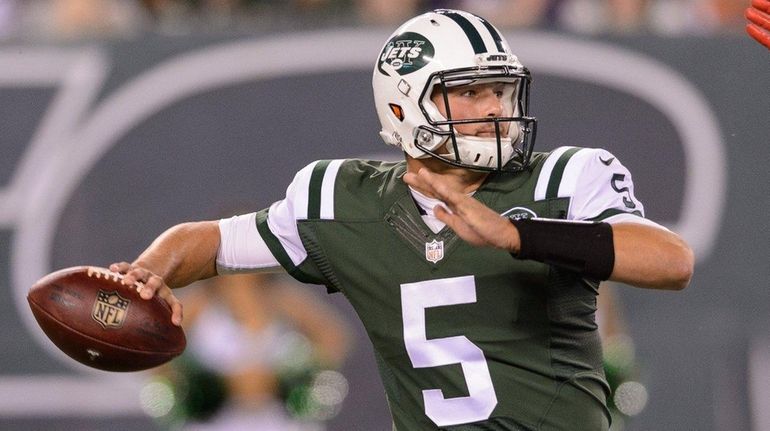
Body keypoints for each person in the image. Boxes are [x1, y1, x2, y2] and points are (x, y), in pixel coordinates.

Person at [111, 9, 693, 430]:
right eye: (469, 93)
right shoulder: (345, 199)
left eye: (500, 90)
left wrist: (519, 235)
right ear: (403, 106)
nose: (494, 107)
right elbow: (208, 242)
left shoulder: (564, 178)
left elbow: (671, 262)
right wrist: (148, 272)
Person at [156, 272, 350, 430]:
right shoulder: (197, 304)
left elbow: (334, 339)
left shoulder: (285, 299)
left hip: (281, 422)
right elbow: (155, 348)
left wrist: (283, 378)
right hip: (214, 422)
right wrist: (206, 385)